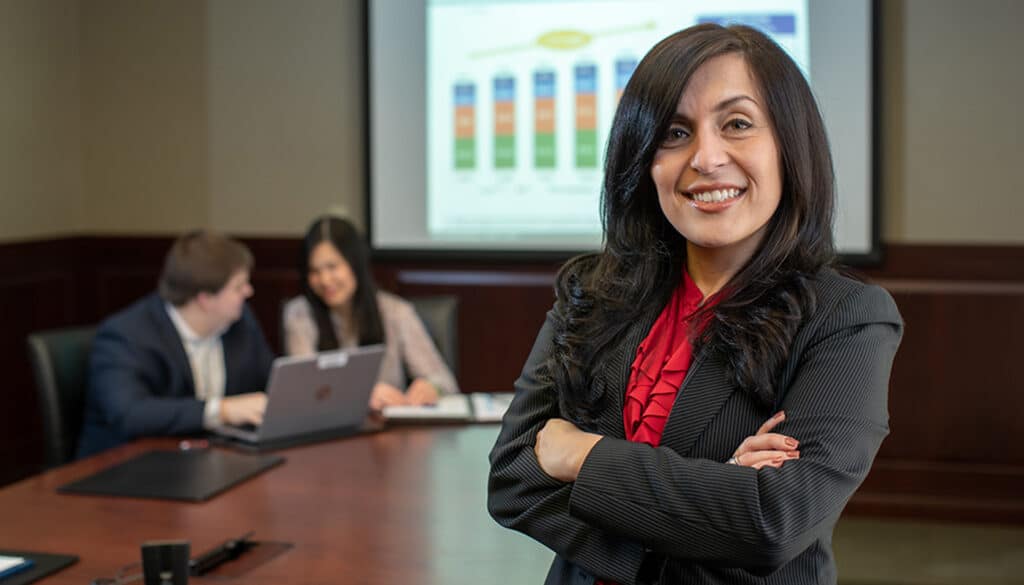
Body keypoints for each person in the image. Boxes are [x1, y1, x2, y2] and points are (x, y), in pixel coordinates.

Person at [487, 23, 903, 585]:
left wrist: (581, 455)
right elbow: (513, 478)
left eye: (737, 124)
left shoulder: (846, 318)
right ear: (644, 160)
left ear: (788, 144)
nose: (706, 158)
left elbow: (772, 519)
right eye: (674, 133)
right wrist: (714, 491)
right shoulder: (591, 292)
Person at [77, 230, 275, 457]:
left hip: (210, 461)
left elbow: (269, 381)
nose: (249, 292)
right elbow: (130, 414)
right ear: (205, 299)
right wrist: (221, 410)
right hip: (128, 467)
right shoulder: (125, 336)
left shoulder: (239, 321)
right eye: (238, 287)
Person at [282, 215, 459, 410]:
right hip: (328, 432)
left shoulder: (395, 312)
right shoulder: (300, 313)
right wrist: (360, 396)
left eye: (332, 267)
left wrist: (431, 387)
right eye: (314, 271)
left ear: (355, 265)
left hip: (389, 433)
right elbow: (302, 391)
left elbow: (445, 381)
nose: (324, 280)